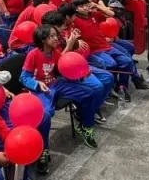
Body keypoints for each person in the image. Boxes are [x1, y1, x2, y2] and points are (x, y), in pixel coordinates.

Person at [22, 25, 103, 153]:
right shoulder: (33, 55)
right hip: (41, 89)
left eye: (56, 35)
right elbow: (24, 78)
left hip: (56, 83)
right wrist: (37, 83)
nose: (56, 38)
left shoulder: (55, 52)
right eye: (52, 36)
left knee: (88, 93)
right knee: (46, 114)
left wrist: (80, 73)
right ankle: (43, 149)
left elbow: (65, 67)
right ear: (43, 39)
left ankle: (85, 126)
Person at [74, 0, 142, 101]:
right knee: (111, 64)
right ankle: (112, 87)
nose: (85, 8)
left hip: (106, 46)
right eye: (81, 6)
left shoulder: (93, 15)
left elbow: (111, 14)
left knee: (127, 61)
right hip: (94, 50)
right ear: (76, 8)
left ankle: (122, 88)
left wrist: (96, 5)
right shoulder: (74, 20)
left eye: (86, 5)